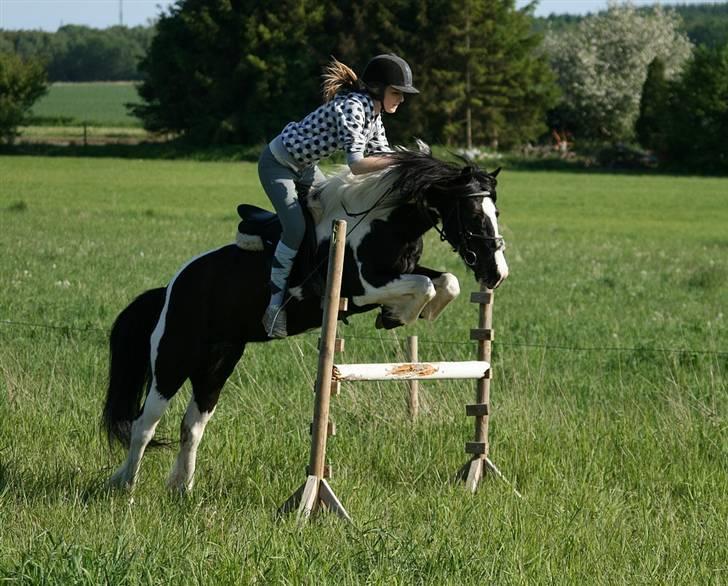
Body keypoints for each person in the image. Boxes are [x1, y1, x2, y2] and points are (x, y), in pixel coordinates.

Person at [258, 53, 419, 338]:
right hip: (277, 165)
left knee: (330, 209)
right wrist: (402, 161)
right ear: (378, 90)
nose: (402, 99)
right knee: (295, 228)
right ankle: (272, 307)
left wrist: (406, 166)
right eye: (397, 92)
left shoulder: (373, 113)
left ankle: (317, 280)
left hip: (305, 168)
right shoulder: (354, 108)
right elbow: (358, 165)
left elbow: (381, 155)